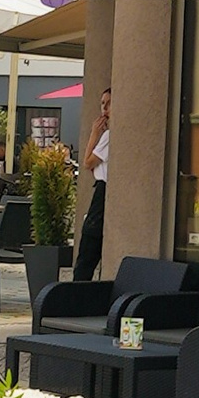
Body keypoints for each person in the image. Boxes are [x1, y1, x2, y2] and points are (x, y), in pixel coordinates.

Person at [77, 87, 112, 281]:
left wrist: (93, 134)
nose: (104, 109)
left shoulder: (108, 136)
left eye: (109, 104)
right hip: (102, 188)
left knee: (88, 248)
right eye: (102, 104)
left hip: (102, 191)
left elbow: (88, 162)